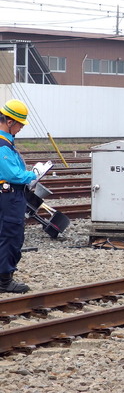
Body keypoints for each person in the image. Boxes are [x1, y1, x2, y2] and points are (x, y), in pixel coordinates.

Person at [0, 99, 37, 294]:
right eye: (20, 123)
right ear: (10, 122)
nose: (21, 127)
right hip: (9, 197)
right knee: (11, 236)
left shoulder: (6, 142)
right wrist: (34, 174)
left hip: (7, 195)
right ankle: (4, 281)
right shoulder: (2, 145)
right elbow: (12, 174)